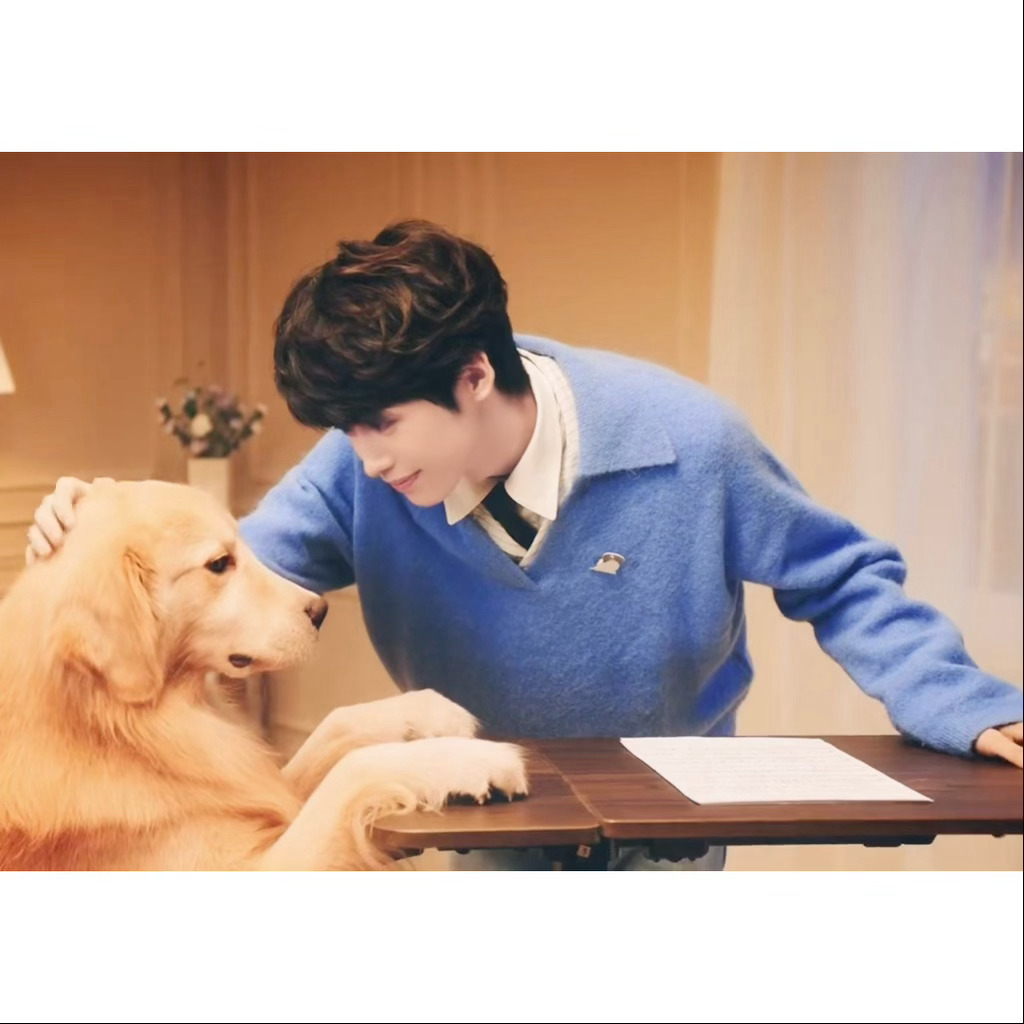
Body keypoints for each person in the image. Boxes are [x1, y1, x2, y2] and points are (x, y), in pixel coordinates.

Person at [26, 219, 1024, 871]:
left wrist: (959, 701)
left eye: (382, 423)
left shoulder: (693, 443)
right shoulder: (361, 467)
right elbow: (218, 584)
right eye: (346, 429)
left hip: (665, 845)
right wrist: (83, 544)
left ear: (472, 376)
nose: (363, 458)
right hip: (481, 833)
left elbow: (840, 577)